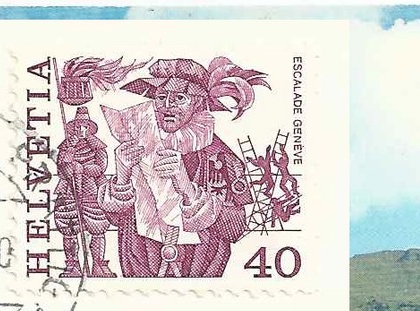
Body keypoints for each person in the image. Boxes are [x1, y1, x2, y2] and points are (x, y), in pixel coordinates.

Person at [103, 57, 267, 278]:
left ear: (198, 103)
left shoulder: (220, 157)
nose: (167, 106)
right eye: (161, 97)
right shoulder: (137, 144)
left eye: (180, 97)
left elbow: (236, 228)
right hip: (141, 271)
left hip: (200, 274)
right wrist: (122, 178)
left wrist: (188, 190)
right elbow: (116, 219)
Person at [53, 108, 116, 278]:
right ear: (73, 127)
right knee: (69, 229)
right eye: (78, 125)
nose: (81, 129)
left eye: (85, 125)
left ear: (90, 128)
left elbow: (101, 167)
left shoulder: (97, 146)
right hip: (69, 190)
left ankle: (98, 265)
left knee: (98, 229)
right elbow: (61, 167)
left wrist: (83, 169)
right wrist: (71, 162)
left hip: (92, 190)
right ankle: (72, 265)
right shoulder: (67, 145)